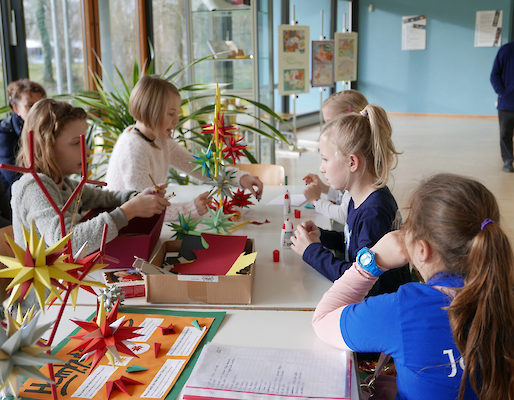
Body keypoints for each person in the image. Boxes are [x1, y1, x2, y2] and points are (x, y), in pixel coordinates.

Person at [312, 173, 514, 400]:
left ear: (421, 250)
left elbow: (322, 320)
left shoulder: (406, 309)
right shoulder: (505, 296)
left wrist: (370, 262)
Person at [11, 99, 169, 253]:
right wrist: (128, 211)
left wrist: (137, 197)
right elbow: (66, 243)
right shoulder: (34, 187)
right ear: (46, 146)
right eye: (75, 143)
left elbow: (106, 198)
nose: (86, 151)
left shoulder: (65, 184)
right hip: (45, 279)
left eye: (84, 142)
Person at [105, 75, 263, 221]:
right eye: (171, 114)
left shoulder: (159, 139)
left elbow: (199, 167)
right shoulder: (133, 149)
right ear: (152, 112)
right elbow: (147, 206)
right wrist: (191, 208)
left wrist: (240, 178)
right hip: (128, 230)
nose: (176, 120)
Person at [291, 104, 411, 296]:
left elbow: (361, 280)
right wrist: (322, 236)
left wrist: (311, 252)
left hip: (377, 305)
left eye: (325, 159)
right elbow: (354, 245)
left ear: (352, 162)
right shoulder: (359, 199)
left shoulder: (374, 213)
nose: (321, 168)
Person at [303, 89, 369, 225]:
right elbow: (345, 197)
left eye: (330, 122)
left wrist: (316, 201)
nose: (327, 127)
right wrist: (324, 188)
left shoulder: (362, 170)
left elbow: (345, 214)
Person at [0, 79, 46, 192]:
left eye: (40, 105)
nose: (36, 111)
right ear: (16, 108)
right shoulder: (4, 133)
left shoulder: (46, 127)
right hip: (15, 194)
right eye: (30, 105)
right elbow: (14, 178)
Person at [490, 41, 514, 172]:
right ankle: (508, 160)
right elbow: (494, 74)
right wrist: (502, 92)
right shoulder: (506, 50)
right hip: (507, 104)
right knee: (505, 134)